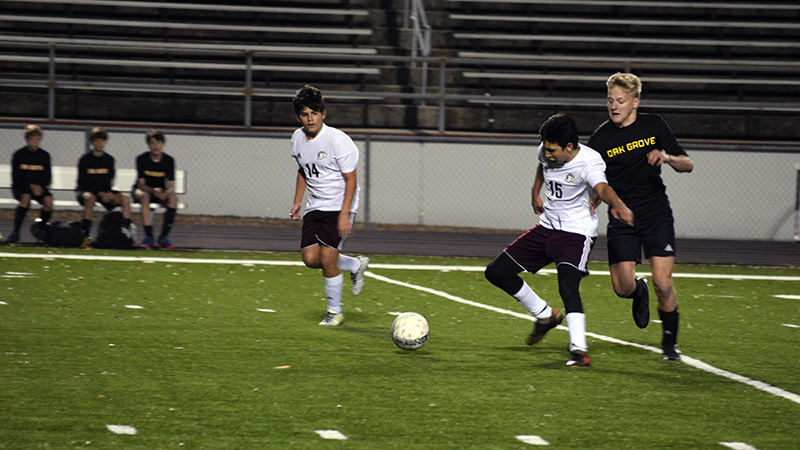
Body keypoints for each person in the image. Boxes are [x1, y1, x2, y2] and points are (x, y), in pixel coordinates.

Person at [485, 113, 633, 367]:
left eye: (553, 150)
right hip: (546, 228)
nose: (547, 153)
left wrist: (617, 204)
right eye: (546, 147)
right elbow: (542, 165)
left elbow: (601, 188)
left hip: (576, 234)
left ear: (569, 147)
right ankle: (545, 316)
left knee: (567, 285)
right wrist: (535, 191)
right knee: (496, 272)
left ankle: (579, 351)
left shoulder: (590, 162)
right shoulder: (547, 149)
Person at [587, 72, 694, 361]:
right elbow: (591, 175)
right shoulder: (600, 138)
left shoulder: (654, 125)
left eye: (620, 100)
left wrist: (667, 157)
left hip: (656, 214)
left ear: (635, 101)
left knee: (664, 282)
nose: (614, 106)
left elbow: (688, 164)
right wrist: (595, 193)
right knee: (622, 288)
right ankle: (639, 291)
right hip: (622, 217)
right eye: (610, 100)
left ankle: (670, 344)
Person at [289, 85, 370, 326]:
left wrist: (345, 214)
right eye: (305, 114)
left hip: (338, 204)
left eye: (314, 112)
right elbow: (303, 170)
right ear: (298, 117)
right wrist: (297, 201)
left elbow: (351, 179)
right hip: (316, 205)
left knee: (327, 258)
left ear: (323, 113)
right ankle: (355, 264)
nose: (310, 118)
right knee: (310, 258)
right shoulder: (296, 139)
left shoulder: (338, 141)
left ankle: (334, 312)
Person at [75, 128, 132, 245]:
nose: (99, 144)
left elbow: (108, 181)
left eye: (102, 141)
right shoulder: (85, 159)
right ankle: (85, 235)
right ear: (92, 142)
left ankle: (125, 233)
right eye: (96, 141)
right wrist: (100, 193)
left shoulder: (109, 160)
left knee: (125, 199)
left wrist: (109, 194)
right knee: (90, 198)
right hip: (86, 191)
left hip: (103, 192)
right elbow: (83, 182)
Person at [4, 125, 53, 243]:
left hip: (38, 188)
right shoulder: (19, 155)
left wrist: (40, 187)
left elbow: (47, 177)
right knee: (25, 197)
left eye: (37, 139)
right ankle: (15, 232)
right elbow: (16, 177)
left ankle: (41, 229)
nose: (35, 142)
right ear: (27, 140)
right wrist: (30, 186)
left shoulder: (44, 156)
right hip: (22, 187)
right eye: (32, 139)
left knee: (48, 200)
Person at [133, 129, 178, 249]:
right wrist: (153, 190)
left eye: (158, 143)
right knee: (144, 196)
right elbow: (141, 184)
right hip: (145, 190)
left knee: (173, 198)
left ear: (163, 144)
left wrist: (166, 192)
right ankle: (149, 237)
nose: (156, 146)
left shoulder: (169, 160)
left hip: (159, 191)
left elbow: (172, 185)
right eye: (152, 143)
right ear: (148, 144)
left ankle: (163, 237)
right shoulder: (142, 159)